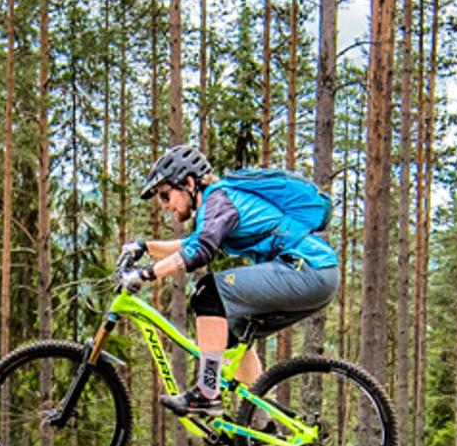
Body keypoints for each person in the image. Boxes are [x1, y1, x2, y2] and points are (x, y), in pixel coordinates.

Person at [134, 144, 339, 415]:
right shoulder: (216, 206)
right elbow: (190, 243)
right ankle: (259, 422)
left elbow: (200, 252)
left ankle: (207, 393)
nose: (166, 206)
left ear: (188, 183)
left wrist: (147, 273)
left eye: (165, 195)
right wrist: (142, 247)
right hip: (315, 275)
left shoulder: (218, 200)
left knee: (207, 290)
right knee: (230, 335)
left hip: (307, 269)